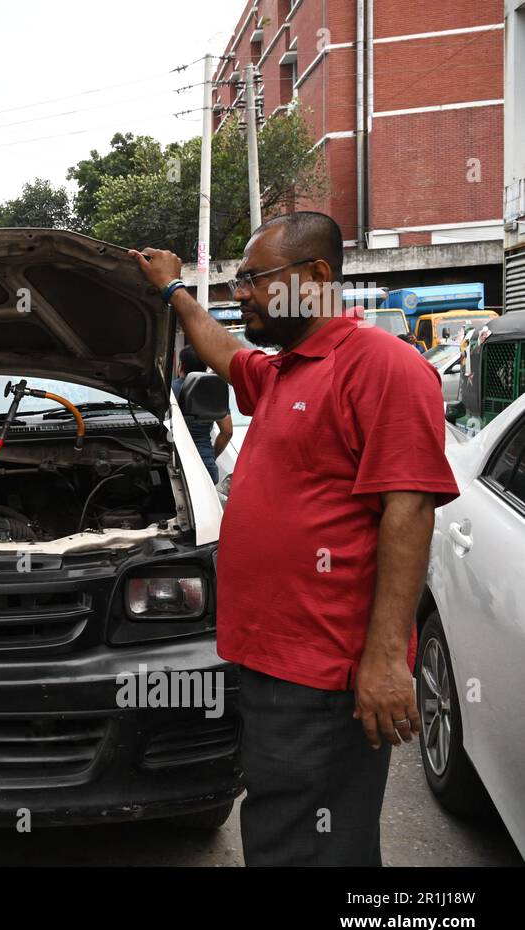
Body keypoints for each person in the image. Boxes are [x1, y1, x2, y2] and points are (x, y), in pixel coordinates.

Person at [131, 211, 459, 866]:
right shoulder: (285, 370)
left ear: (313, 277)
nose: (241, 292)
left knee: (303, 843)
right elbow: (222, 353)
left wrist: (383, 661)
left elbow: (409, 512)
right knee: (295, 830)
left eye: (254, 279)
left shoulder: (381, 367)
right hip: (272, 663)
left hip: (324, 672)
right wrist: (173, 291)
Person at [171, 345, 231, 482]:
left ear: (181, 366)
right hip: (206, 466)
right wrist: (211, 456)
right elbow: (227, 431)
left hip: (178, 467)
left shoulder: (170, 391)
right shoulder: (214, 392)